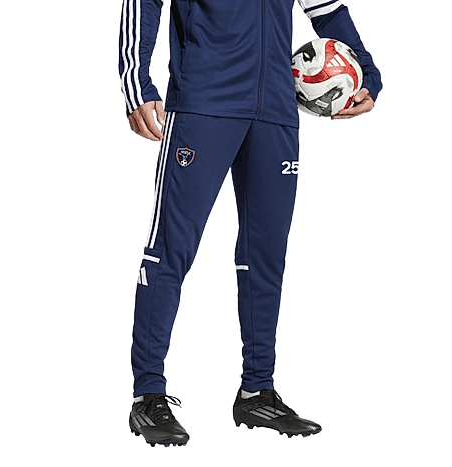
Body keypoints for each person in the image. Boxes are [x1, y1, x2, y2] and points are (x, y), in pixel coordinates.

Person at [118, 0, 382, 447]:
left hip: (276, 110)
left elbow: (327, 10)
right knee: (170, 249)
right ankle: (147, 394)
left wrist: (369, 75)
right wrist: (135, 82)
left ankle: (257, 392)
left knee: (266, 256)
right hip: (204, 101)